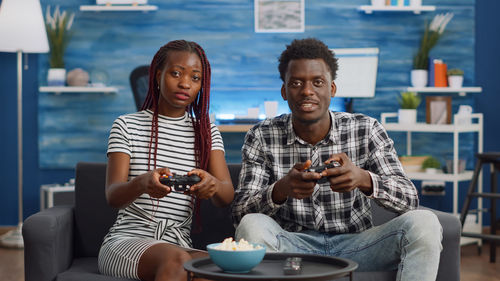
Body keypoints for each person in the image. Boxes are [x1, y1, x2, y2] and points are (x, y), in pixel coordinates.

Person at [231, 38, 442, 280]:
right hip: (292, 249)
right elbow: (240, 216)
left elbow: (409, 200)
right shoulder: (261, 135)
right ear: (284, 91)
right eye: (297, 83)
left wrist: (364, 179)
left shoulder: (366, 129)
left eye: (317, 82)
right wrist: (280, 189)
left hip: (358, 246)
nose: (307, 91)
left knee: (424, 222)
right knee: (252, 225)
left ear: (332, 89)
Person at [99, 40, 234, 281]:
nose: (185, 84)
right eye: (176, 74)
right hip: (127, 240)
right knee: (178, 261)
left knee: (227, 267)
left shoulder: (207, 132)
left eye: (195, 78)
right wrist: (141, 184)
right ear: (158, 75)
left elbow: (226, 197)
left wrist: (212, 184)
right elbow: (113, 196)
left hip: (178, 242)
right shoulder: (126, 125)